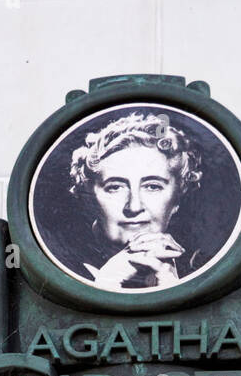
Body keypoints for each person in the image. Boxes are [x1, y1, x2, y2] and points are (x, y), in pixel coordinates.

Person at [67, 110, 204, 289]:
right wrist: (105, 285)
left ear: (177, 197)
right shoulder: (60, 265)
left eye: (152, 186)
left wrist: (176, 292)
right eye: (115, 187)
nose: (134, 207)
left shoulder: (202, 269)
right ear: (88, 196)